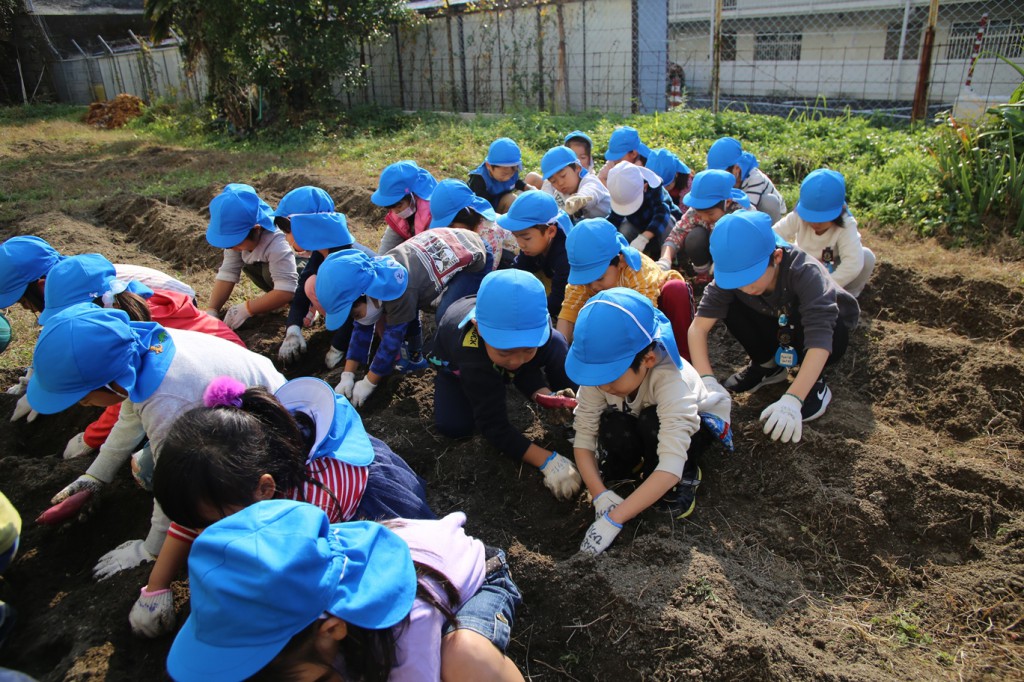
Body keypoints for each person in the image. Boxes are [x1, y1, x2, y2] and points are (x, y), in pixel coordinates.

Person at [129, 375, 434, 638]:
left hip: (365, 510)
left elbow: (307, 585)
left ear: (265, 491)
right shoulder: (231, 483)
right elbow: (191, 519)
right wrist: (156, 587)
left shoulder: (310, 506)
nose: (202, 535)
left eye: (209, 526)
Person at [28, 305, 284, 583]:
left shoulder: (168, 403)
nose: (83, 404)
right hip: (240, 411)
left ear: (111, 382)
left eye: (83, 398)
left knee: (153, 473)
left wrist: (150, 550)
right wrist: (95, 477)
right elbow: (130, 416)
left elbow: (174, 484)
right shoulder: (143, 349)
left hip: (272, 435)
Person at [166, 500, 524, 682]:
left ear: (332, 629)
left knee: (464, 656)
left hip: (472, 581)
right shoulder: (290, 604)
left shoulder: (406, 634)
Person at [567, 288, 733, 555]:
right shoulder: (600, 378)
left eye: (610, 376)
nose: (602, 385)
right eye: (595, 377)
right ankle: (633, 465)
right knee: (611, 426)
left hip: (693, 425)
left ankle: (687, 474)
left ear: (648, 359)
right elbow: (584, 437)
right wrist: (599, 494)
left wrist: (614, 519)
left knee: (652, 423)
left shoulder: (671, 381)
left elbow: (670, 464)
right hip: (637, 415)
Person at [34, 253, 244, 462]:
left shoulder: (141, 332)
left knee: (148, 464)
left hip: (226, 393)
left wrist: (90, 438)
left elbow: (126, 394)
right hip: (212, 374)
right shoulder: (130, 309)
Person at [688, 212, 860, 443]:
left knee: (819, 323)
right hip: (778, 326)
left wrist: (793, 399)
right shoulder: (735, 277)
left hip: (824, 336)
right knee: (730, 303)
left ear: (776, 256)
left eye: (751, 277)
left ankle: (812, 383)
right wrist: (707, 381)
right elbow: (698, 328)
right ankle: (768, 366)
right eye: (737, 281)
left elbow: (820, 337)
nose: (745, 287)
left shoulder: (804, 272)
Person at [0, 235, 195, 426]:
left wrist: (92, 436)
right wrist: (39, 382)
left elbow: (130, 379)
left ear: (42, 287)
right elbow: (61, 342)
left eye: (24, 302)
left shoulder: (125, 311)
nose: (28, 308)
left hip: (175, 327)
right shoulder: (73, 281)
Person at [430, 270, 582, 501]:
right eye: (504, 351)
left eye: (528, 349)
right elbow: (493, 426)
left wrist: (545, 395)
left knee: (557, 343)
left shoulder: (538, 337)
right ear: (478, 328)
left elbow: (521, 366)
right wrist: (547, 460)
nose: (516, 361)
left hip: (495, 342)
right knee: (455, 426)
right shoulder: (472, 356)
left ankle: (578, 413)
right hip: (458, 368)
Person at [313, 229, 490, 407]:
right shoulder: (376, 278)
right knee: (406, 315)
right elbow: (362, 329)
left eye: (356, 315)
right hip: (448, 243)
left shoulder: (401, 291)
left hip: (474, 256)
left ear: (366, 293)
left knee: (447, 316)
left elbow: (392, 341)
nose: (357, 320)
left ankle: (458, 360)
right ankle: (415, 359)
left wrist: (369, 382)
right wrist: (347, 375)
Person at [558, 218, 695, 362]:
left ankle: (683, 358)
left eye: (600, 278)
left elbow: (645, 316)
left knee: (676, 289)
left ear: (621, 261)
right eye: (586, 281)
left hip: (655, 311)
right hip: (622, 322)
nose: (593, 286)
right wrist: (561, 355)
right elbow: (568, 313)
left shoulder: (637, 269)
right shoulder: (586, 278)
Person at [273, 186, 376, 368]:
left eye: (287, 229)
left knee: (313, 284)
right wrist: (293, 330)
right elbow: (301, 292)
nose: (286, 237)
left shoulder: (345, 259)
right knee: (310, 283)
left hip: (373, 319)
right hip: (354, 315)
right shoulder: (322, 252)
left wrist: (337, 347)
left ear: (306, 225)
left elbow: (352, 307)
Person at [204, 183, 298, 329]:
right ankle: (276, 300)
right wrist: (212, 310)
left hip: (302, 276)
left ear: (256, 229)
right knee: (252, 266)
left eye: (235, 242)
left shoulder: (277, 242)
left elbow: (287, 289)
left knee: (269, 274)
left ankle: (305, 305)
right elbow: (228, 272)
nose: (231, 248)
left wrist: (248, 308)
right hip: (282, 281)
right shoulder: (238, 242)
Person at [772, 169, 875, 297]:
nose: (815, 223)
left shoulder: (846, 224)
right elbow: (773, 235)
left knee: (866, 257)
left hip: (832, 270)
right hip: (802, 266)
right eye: (810, 217)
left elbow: (852, 263)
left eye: (822, 219)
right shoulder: (798, 216)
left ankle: (847, 297)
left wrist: (825, 287)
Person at [658, 169, 752, 286]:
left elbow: (748, 246)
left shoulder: (741, 214)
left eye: (710, 214)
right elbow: (677, 234)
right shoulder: (696, 211)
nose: (704, 218)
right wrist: (665, 260)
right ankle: (704, 275)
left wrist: (722, 262)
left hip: (737, 257)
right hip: (710, 249)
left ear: (727, 202)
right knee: (694, 237)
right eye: (700, 214)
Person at [501, 191, 573, 320]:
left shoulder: (565, 256)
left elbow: (557, 300)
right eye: (516, 236)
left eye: (526, 238)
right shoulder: (532, 246)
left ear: (551, 231)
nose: (520, 244)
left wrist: (525, 315)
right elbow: (517, 271)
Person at [429, 178, 518, 269]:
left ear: (466, 215)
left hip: (511, 258)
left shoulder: (488, 231)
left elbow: (489, 268)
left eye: (450, 226)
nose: (448, 231)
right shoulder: (470, 225)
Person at [705, 137, 787, 224]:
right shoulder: (723, 179)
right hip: (739, 208)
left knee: (769, 201)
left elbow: (748, 209)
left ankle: (769, 231)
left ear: (736, 168)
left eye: (722, 174)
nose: (718, 178)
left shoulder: (755, 178)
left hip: (762, 209)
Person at [606, 162, 676, 260]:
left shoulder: (654, 187)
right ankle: (629, 258)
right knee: (624, 229)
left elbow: (662, 213)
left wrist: (644, 237)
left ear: (645, 186)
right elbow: (614, 219)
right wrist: (602, 233)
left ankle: (670, 259)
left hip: (659, 230)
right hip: (638, 229)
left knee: (668, 223)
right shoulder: (620, 189)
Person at [371, 160, 438, 254]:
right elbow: (386, 248)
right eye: (391, 208)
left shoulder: (433, 215)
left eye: (399, 206)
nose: (396, 212)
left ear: (413, 195)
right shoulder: (398, 215)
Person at [536, 145, 611, 221]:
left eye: (563, 175)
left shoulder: (590, 181)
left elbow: (591, 191)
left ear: (577, 167)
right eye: (553, 181)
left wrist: (580, 198)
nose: (560, 183)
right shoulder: (559, 195)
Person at [467, 137, 532, 213]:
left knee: (531, 180)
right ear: (489, 166)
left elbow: (515, 182)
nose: (508, 178)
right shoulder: (480, 179)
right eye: (504, 174)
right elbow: (479, 205)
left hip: (500, 200)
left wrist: (526, 187)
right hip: (484, 209)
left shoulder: (511, 170)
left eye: (512, 174)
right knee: (511, 200)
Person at [644, 148, 692, 217]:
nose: (663, 190)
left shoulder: (687, 186)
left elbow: (683, 215)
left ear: (676, 174)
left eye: (667, 185)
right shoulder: (644, 181)